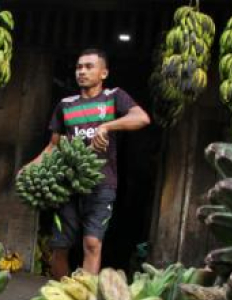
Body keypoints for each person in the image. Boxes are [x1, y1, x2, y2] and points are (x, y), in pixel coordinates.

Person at [26, 48, 150, 278]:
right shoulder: (66, 105)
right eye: (79, 67)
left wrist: (107, 126)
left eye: (89, 67)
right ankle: (63, 297)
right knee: (60, 246)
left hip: (102, 183)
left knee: (92, 243)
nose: (82, 71)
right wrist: (30, 167)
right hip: (67, 183)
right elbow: (53, 146)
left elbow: (141, 118)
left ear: (104, 73)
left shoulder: (114, 97)